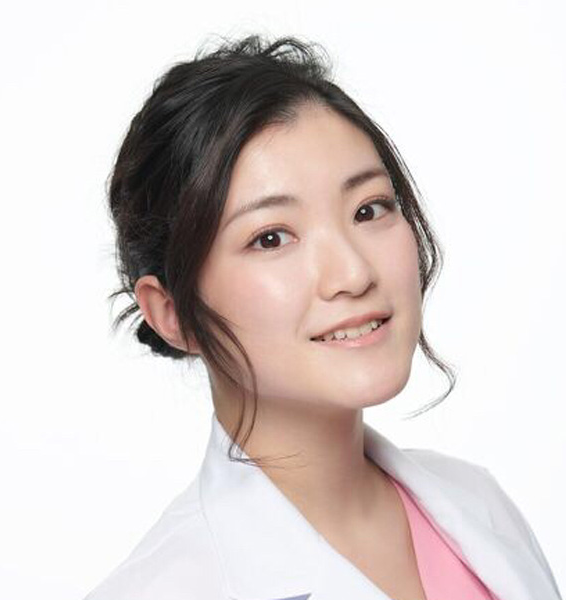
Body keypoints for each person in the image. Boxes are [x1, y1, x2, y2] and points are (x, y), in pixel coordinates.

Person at [84, 34, 562, 600]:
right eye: (271, 238)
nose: (353, 273)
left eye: (369, 209)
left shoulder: (479, 507)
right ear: (172, 314)